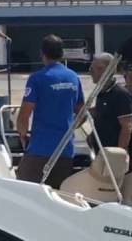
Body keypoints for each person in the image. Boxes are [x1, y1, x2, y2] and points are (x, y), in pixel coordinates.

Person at [16, 35, 84, 187]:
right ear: (62, 53)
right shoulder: (73, 77)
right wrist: (69, 129)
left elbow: (24, 115)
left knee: (24, 188)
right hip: (65, 150)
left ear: (42, 53)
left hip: (40, 149)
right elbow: (82, 113)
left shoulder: (37, 78)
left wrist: (23, 135)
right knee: (58, 192)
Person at [86, 53, 132, 155]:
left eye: (98, 68)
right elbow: (106, 115)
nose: (91, 71)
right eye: (91, 68)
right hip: (100, 152)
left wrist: (119, 155)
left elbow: (127, 127)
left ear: (111, 71)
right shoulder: (101, 92)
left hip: (112, 154)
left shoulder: (120, 94)